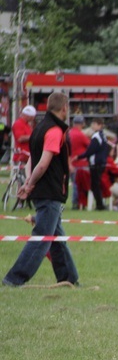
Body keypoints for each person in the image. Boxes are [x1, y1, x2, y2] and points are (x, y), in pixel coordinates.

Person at [3, 92, 79, 287]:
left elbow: (31, 159)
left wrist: (29, 181)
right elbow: (43, 163)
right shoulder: (54, 130)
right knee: (42, 238)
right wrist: (29, 184)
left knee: (56, 236)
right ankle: (14, 279)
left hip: (44, 191)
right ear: (64, 108)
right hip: (49, 191)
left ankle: (69, 278)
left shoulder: (38, 128)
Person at [75, 118, 110, 210]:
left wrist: (79, 157)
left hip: (95, 164)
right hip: (102, 163)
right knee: (97, 184)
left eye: (94, 124)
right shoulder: (104, 136)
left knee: (95, 185)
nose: (92, 126)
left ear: (99, 125)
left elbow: (90, 151)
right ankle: (100, 203)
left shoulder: (96, 136)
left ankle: (100, 205)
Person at [68, 115, 91, 209]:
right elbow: (90, 146)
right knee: (79, 185)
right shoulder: (81, 135)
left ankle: (76, 203)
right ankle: (77, 203)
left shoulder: (68, 133)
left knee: (74, 184)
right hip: (80, 164)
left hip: (70, 163)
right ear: (82, 124)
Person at [11, 105, 36, 177]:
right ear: (28, 116)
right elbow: (20, 138)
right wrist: (34, 136)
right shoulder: (18, 124)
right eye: (32, 117)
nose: (33, 119)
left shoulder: (27, 125)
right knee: (24, 179)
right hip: (21, 156)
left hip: (27, 156)